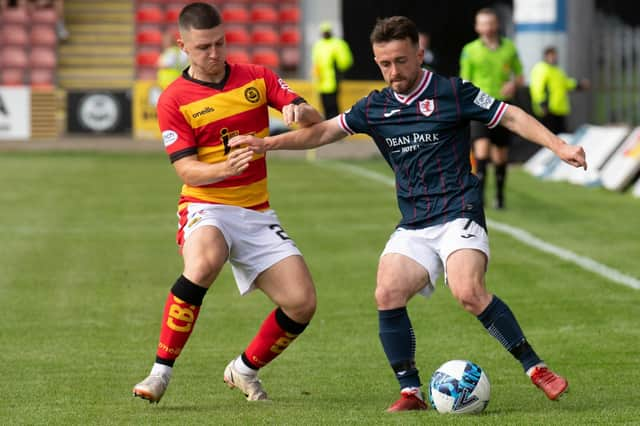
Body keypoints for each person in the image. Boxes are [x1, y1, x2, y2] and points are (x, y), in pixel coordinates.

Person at [231, 15, 585, 413]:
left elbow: (511, 115)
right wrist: (266, 145)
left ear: (419, 53)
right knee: (387, 292)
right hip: (415, 221)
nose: (393, 71)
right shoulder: (375, 107)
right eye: (384, 64)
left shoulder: (452, 90)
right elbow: (323, 133)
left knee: (468, 291)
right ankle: (411, 393)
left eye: (401, 60)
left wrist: (559, 146)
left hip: (458, 211)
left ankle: (536, 368)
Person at [132, 2, 323, 404]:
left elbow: (314, 119)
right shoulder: (174, 99)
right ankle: (159, 373)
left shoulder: (257, 78)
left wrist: (298, 109)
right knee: (204, 262)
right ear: (183, 45)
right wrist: (224, 169)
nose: (215, 54)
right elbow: (186, 171)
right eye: (204, 47)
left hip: (257, 211)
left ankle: (243, 369)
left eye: (220, 43)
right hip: (206, 206)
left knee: (302, 303)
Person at [460, 8, 524, 209]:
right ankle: (479, 198)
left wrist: (513, 84)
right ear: (477, 27)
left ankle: (500, 196)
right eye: (483, 23)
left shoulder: (509, 48)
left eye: (490, 23)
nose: (487, 27)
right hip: (479, 107)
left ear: (496, 25)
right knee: (481, 150)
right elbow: (464, 80)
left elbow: (520, 76)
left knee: (500, 155)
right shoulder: (470, 50)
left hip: (503, 107)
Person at [529, 46, 590, 134]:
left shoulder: (557, 70)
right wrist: (542, 104)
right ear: (546, 56)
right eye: (551, 55)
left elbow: (566, 83)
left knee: (560, 137)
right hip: (548, 110)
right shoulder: (541, 68)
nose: (553, 58)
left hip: (559, 108)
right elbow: (537, 88)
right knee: (549, 136)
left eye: (554, 55)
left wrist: (579, 84)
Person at [311, 21, 354, 118]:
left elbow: (346, 61)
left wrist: (339, 69)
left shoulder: (338, 44)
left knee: (333, 105)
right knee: (325, 106)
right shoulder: (318, 45)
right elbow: (315, 62)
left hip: (333, 80)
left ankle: (336, 125)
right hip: (321, 81)